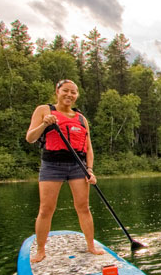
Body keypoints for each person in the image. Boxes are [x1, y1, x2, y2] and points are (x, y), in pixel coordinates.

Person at [25, 79, 104, 263]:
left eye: (73, 92)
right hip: (52, 165)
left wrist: (90, 170)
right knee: (46, 209)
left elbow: (88, 147)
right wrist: (44, 124)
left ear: (77, 95)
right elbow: (30, 138)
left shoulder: (82, 118)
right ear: (57, 91)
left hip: (78, 166)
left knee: (83, 207)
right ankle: (41, 250)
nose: (69, 95)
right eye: (66, 91)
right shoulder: (44, 110)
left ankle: (91, 246)